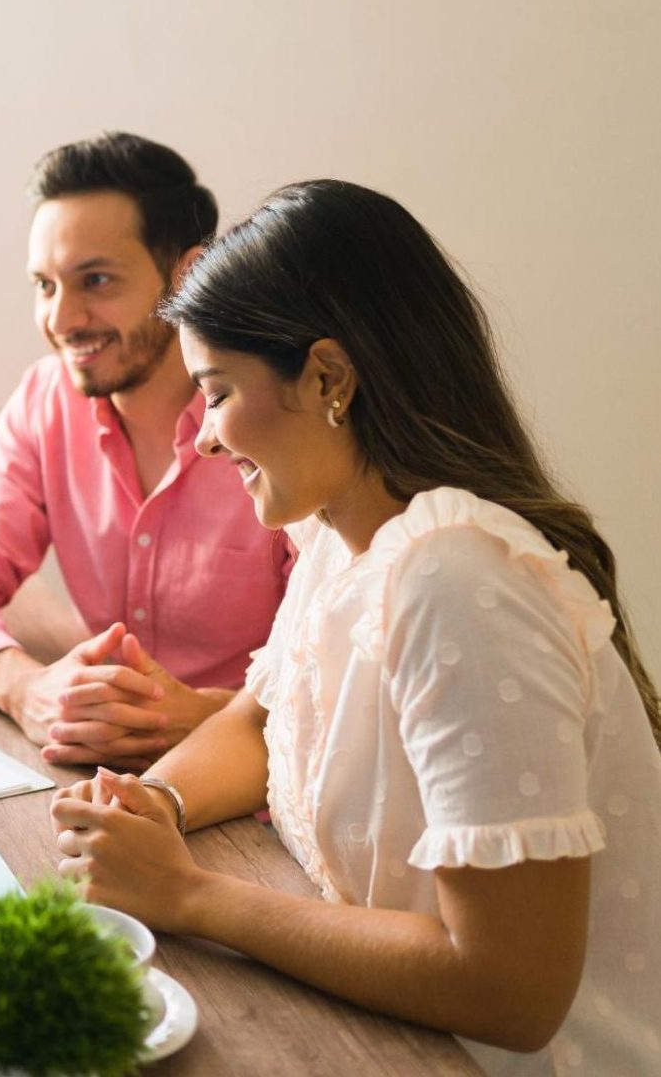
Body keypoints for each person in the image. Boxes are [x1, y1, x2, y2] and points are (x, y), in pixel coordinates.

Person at [52, 179, 661, 1075]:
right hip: (374, 1031)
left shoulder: (460, 581)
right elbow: (261, 720)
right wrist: (159, 805)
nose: (205, 440)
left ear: (330, 378)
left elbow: (511, 993)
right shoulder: (345, 533)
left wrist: (189, 895)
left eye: (216, 393)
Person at [0, 131, 291, 769]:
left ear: (187, 273)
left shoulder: (280, 417)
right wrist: (21, 686)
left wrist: (205, 716)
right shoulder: (47, 398)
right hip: (102, 773)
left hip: (265, 788)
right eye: (45, 285)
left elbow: (353, 669)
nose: (62, 319)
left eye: (96, 280)